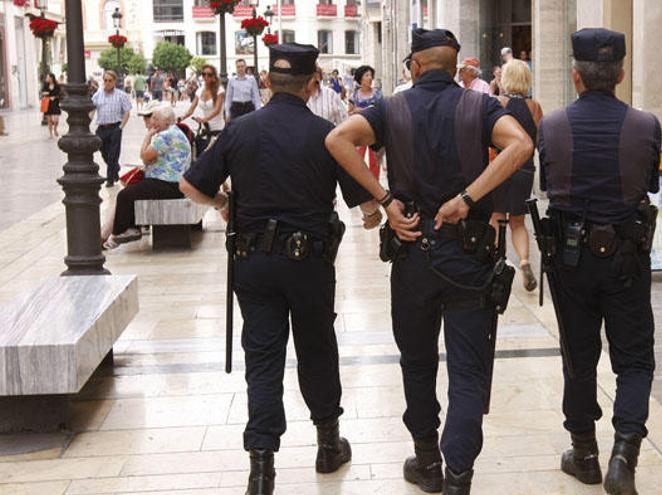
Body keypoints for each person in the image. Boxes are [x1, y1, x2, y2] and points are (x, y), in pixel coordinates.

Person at [325, 28, 533, 495]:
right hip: (469, 256)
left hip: (413, 253)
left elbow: (338, 139)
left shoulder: (390, 108)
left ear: (414, 67)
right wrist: (467, 197)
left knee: (417, 362)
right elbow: (520, 145)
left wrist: (383, 199)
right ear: (456, 66)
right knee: (467, 368)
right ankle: (459, 474)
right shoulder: (479, 106)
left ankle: (427, 461)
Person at [179, 42, 381, 495]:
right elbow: (366, 201)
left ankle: (262, 467)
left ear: (267, 81)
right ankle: (328, 445)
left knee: (263, 359)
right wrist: (374, 214)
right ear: (313, 85)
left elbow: (189, 184)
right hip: (308, 263)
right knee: (317, 349)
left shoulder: (239, 129)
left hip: (253, 263)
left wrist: (223, 202)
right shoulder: (326, 135)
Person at [537, 28, 661, 495]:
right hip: (627, 257)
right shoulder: (646, 125)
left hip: (571, 257)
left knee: (578, 355)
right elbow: (648, 183)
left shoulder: (550, 125)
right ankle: (623, 455)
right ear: (621, 74)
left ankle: (584, 452)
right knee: (634, 360)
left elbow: (549, 182)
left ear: (576, 76)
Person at [103, 105, 191, 249]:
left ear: (167, 121)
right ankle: (127, 229)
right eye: (153, 118)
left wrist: (148, 136)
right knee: (133, 191)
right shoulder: (174, 132)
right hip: (174, 183)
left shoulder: (165, 135)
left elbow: (144, 156)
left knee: (125, 195)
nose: (153, 122)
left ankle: (123, 231)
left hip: (168, 183)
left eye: (157, 119)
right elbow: (149, 159)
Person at [490, 60, 542, 292]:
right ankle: (524, 261)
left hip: (500, 167)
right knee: (518, 222)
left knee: (497, 217)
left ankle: (495, 262)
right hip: (525, 169)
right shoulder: (534, 107)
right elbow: (540, 141)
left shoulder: (497, 103)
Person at [93, 70, 132, 187]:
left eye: (110, 81)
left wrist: (120, 127)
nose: (107, 83)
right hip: (101, 128)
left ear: (114, 81)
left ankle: (110, 179)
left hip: (115, 127)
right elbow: (92, 111)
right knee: (103, 152)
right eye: (105, 80)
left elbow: (127, 112)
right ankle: (115, 168)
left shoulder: (121, 95)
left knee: (113, 155)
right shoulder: (97, 95)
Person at [348, 65, 383, 179]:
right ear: (360, 78)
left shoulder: (378, 94)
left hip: (375, 131)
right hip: (358, 131)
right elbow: (350, 112)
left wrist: (361, 110)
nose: (370, 78)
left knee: (375, 161)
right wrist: (355, 111)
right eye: (366, 75)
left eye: (370, 75)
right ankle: (361, 185)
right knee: (358, 159)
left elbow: (381, 111)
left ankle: (375, 187)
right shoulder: (354, 96)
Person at [179, 64, 225, 141]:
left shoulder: (219, 90)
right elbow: (191, 109)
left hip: (218, 128)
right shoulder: (199, 91)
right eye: (204, 74)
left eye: (209, 75)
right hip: (205, 129)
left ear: (214, 77)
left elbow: (217, 110)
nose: (206, 77)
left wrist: (204, 119)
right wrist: (182, 117)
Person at [41, 73, 62, 139]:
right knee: (49, 120)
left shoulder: (57, 85)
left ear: (51, 78)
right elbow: (43, 92)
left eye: (48, 77)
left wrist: (55, 97)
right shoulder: (45, 85)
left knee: (56, 120)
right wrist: (48, 95)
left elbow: (59, 93)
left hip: (55, 103)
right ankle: (50, 134)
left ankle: (55, 129)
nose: (47, 78)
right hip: (48, 103)